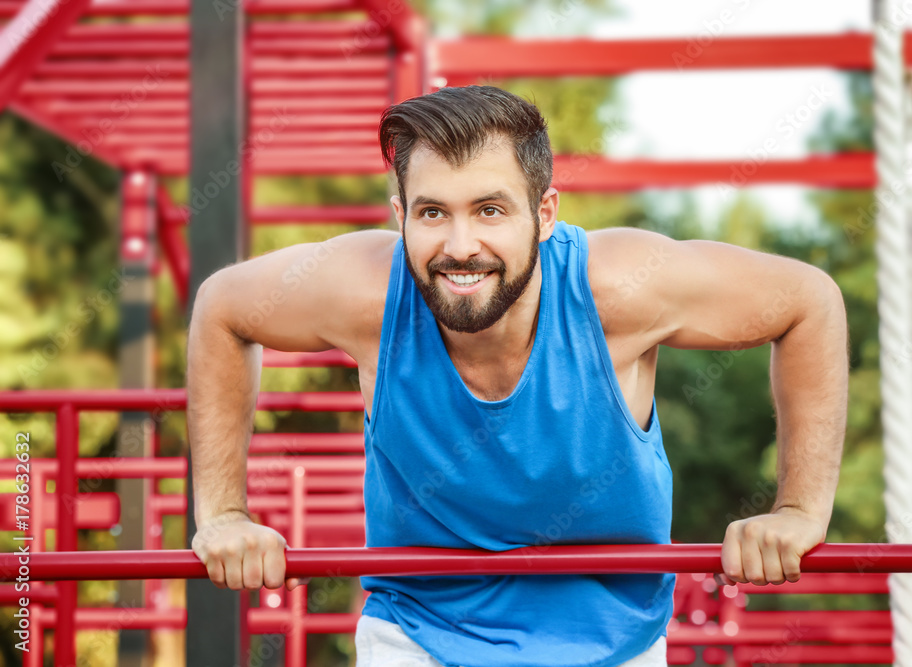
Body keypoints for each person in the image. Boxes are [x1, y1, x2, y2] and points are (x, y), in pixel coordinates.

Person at [188, 85, 848, 667]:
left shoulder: (620, 288)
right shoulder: (363, 291)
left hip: (612, 641)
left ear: (546, 213)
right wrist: (223, 512)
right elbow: (223, 307)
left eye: (491, 210)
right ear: (400, 216)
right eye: (431, 212)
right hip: (420, 633)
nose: (459, 245)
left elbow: (806, 301)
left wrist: (797, 508)